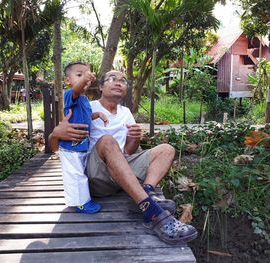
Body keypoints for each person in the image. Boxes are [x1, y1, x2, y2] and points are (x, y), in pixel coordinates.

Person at [49, 70, 197, 245]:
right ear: (101, 87)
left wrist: (135, 138)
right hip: (96, 176)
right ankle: (152, 211)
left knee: (166, 149)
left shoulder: (125, 112)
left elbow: (128, 151)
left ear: (126, 89)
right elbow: (57, 147)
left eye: (122, 80)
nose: (118, 82)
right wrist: (55, 134)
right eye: (112, 79)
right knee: (107, 141)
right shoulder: (87, 107)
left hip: (120, 170)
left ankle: (146, 192)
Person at [58, 62, 108, 214]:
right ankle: (80, 203)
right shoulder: (70, 95)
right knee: (75, 175)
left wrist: (97, 115)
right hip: (70, 147)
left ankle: (82, 198)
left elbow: (84, 116)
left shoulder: (84, 100)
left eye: (87, 75)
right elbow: (77, 88)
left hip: (82, 146)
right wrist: (84, 79)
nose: (85, 79)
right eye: (79, 75)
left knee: (80, 172)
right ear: (68, 81)